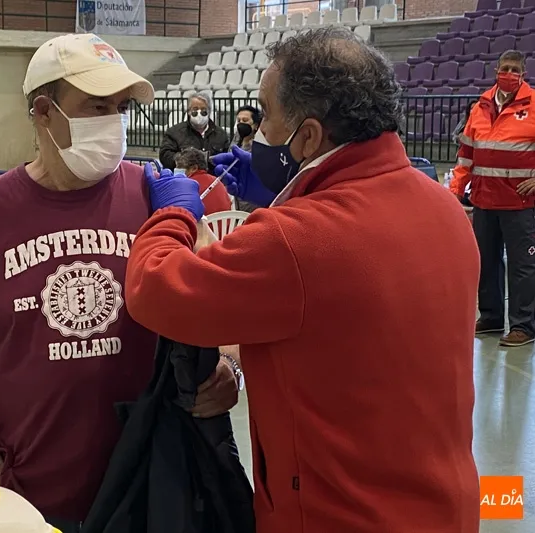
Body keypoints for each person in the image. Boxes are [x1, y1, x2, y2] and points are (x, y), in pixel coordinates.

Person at [125, 27, 480, 533]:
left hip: (335, 516)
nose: (258, 130)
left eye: (265, 115)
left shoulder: (297, 239)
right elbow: (339, 318)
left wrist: (173, 215)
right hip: (443, 505)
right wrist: (289, 192)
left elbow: (155, 289)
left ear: (308, 137)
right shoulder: (444, 209)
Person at [0, 33, 239, 533]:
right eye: (97, 107)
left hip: (154, 489)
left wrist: (231, 367)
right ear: (44, 112)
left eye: (121, 108)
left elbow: (226, 299)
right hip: (35, 501)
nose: (115, 122)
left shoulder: (157, 197)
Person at [451, 50, 535, 347]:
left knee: (522, 265)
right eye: (504, 68)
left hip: (520, 203)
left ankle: (524, 325)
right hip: (483, 198)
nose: (508, 73)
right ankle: (491, 317)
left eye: (514, 69)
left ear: (523, 74)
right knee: (486, 260)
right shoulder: (481, 106)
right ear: (495, 69)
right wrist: (456, 190)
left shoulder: (533, 104)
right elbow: (467, 154)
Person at [159, 90, 230, 170]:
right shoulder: (174, 133)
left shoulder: (221, 135)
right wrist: (186, 160)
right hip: (185, 176)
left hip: (212, 176)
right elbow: (165, 156)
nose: (199, 114)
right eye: (195, 109)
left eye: (203, 110)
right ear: (188, 111)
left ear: (209, 111)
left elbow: (227, 159)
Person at [174, 147, 231, 215]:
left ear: (194, 168)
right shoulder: (217, 181)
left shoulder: (186, 186)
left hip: (201, 221)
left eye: (180, 167)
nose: (176, 170)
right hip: (228, 221)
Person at [231, 105, 262, 213]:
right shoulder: (236, 140)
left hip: (253, 200)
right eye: (239, 120)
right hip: (236, 198)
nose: (241, 124)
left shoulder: (260, 145)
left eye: (245, 120)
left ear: (255, 126)